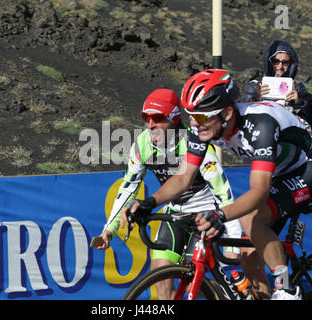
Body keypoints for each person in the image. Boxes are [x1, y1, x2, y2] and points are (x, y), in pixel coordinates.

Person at [122, 69, 312, 300]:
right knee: (248, 255)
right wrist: (148, 203)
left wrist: (220, 214)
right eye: (190, 115)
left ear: (227, 112)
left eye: (201, 117)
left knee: (251, 216)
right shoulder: (203, 125)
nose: (194, 123)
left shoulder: (260, 125)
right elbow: (183, 177)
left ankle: (286, 289)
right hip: (277, 171)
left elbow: (259, 191)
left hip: (308, 170)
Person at [95, 88, 242, 299]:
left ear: (173, 118)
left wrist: (233, 239)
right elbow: (129, 187)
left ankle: (229, 293)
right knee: (162, 280)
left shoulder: (195, 142)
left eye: (157, 118)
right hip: (175, 212)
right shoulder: (142, 144)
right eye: (146, 117)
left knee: (193, 280)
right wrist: (109, 229)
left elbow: (222, 191)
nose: (150, 124)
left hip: (206, 213)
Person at [241, 40, 312, 160]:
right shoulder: (255, 87)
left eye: (285, 62)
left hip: (291, 149)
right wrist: (258, 101)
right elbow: (242, 122)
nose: (280, 67)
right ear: (269, 61)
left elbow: (310, 126)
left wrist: (299, 103)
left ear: (292, 64)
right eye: (275, 61)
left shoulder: (299, 90)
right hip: (261, 147)